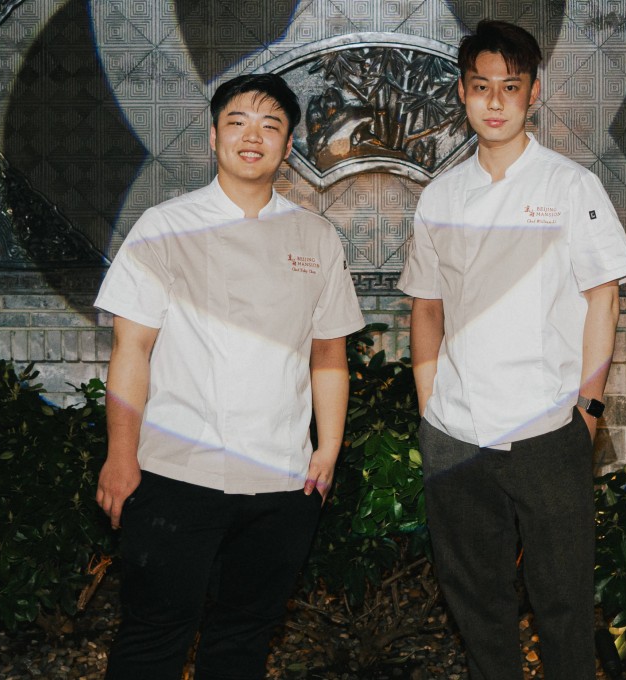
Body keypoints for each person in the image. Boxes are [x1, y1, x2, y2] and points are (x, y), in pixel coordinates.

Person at [93, 73, 364, 680]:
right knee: (152, 638)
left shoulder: (316, 238)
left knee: (244, 641)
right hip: (173, 475)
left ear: (288, 145)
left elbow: (329, 357)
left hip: (282, 483)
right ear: (213, 135)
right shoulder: (163, 228)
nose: (253, 136)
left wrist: (328, 450)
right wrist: (120, 453)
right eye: (238, 121)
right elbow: (131, 349)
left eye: (271, 126)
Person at [397, 20, 626, 680]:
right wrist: (431, 410)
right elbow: (426, 308)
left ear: (533, 93)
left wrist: (586, 409)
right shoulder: (441, 195)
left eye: (510, 86)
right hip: (457, 434)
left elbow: (603, 298)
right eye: (482, 87)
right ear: (463, 93)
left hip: (546, 427)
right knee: (478, 604)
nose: (495, 101)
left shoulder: (569, 187)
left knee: (563, 605)